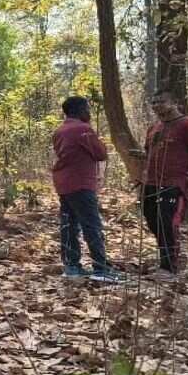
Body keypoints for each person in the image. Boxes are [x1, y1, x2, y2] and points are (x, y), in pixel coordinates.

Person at [136, 89, 188, 280]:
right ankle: (164, 261)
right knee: (152, 220)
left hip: (174, 183)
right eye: (154, 102)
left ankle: (169, 268)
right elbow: (151, 154)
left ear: (175, 102)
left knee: (166, 222)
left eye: (162, 101)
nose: (157, 105)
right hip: (151, 183)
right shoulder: (155, 128)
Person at [51, 96, 119, 283]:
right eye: (87, 108)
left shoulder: (60, 130)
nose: (89, 112)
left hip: (64, 184)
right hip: (81, 183)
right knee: (91, 225)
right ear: (80, 110)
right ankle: (101, 268)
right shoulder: (82, 129)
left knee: (69, 225)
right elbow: (101, 153)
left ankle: (72, 267)